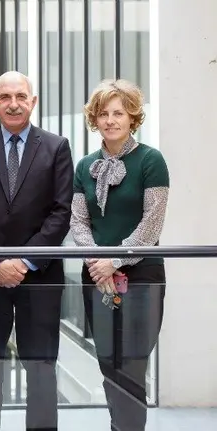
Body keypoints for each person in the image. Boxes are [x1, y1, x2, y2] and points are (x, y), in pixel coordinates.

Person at [0, 71, 74, 431]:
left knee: (40, 366)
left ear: (33, 101)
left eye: (21, 96)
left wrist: (23, 262)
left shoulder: (57, 147)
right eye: (5, 97)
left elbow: (61, 211)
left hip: (40, 278)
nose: (13, 104)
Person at [70, 79, 168, 431]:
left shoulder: (151, 160)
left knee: (132, 365)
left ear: (132, 117)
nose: (110, 120)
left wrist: (116, 261)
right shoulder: (84, 166)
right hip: (97, 277)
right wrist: (100, 264)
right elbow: (78, 222)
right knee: (107, 363)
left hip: (142, 278)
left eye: (118, 113)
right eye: (103, 114)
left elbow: (151, 226)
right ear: (94, 119)